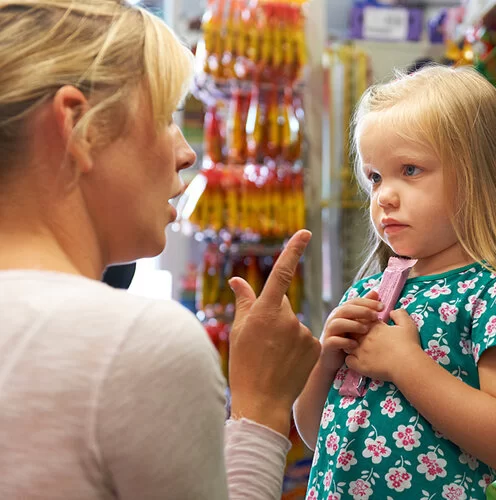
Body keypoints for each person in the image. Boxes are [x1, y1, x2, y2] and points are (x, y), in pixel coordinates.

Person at [0, 1, 319, 498]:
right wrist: (263, 407)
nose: (186, 152)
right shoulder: (135, 346)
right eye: (167, 117)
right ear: (79, 127)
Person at [294, 65, 496, 499]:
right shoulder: (367, 292)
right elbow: (313, 434)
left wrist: (406, 365)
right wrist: (325, 360)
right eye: (375, 177)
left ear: (480, 177)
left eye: (410, 170)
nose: (384, 196)